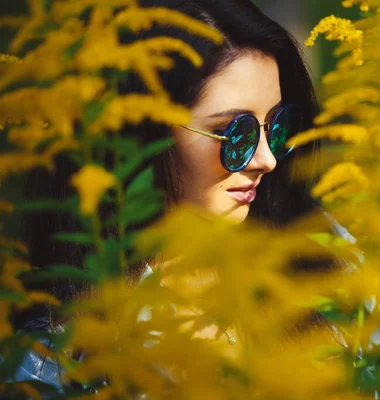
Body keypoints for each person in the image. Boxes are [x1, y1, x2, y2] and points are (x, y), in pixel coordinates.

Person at [12, 0, 347, 390]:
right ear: (142, 133)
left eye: (277, 124)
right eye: (234, 133)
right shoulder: (54, 352)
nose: (267, 159)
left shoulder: (326, 254)